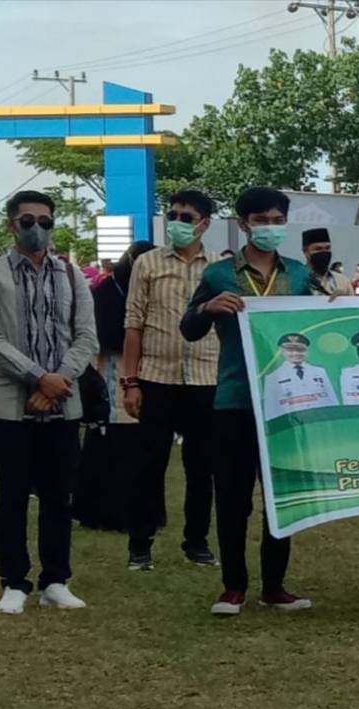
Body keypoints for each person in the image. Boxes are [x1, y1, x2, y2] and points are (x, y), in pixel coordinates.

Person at [181, 186, 314, 616]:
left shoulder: (298, 274)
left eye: (278, 221)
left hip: (286, 401)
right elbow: (188, 328)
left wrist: (332, 306)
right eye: (262, 221)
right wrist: (208, 309)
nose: (270, 228)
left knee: (281, 494)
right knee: (234, 497)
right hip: (235, 399)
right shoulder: (220, 275)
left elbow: (316, 326)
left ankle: (274, 585)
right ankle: (233, 587)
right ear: (243, 225)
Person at [0, 190, 98, 614]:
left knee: (59, 496)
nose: (37, 229)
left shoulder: (71, 275)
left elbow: (86, 337)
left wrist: (57, 382)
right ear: (12, 225)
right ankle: (14, 582)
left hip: (62, 403)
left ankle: (56, 580)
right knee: (11, 496)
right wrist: (39, 379)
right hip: (10, 404)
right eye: (28, 221)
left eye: (45, 221)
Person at [120, 190, 221, 571]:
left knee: (202, 467)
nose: (179, 222)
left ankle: (197, 542)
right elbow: (133, 324)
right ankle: (140, 545)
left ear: (205, 223)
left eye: (188, 216)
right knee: (149, 464)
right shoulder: (147, 263)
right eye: (174, 215)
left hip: (205, 377)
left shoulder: (218, 269)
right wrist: (130, 382)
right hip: (155, 377)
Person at [74, 242, 155, 534]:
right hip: (112, 371)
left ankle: (142, 511)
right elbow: (102, 334)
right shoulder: (107, 292)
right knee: (112, 442)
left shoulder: (149, 290)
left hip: (146, 372)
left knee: (142, 445)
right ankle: (107, 511)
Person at [262, 332, 339, 420]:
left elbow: (332, 401)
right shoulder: (273, 377)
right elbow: (271, 411)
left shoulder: (320, 371)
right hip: (295, 425)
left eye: (300, 350)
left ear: (307, 351)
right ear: (282, 351)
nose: (296, 353)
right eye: (290, 350)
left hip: (321, 421)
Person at [303, 228, 353, 296]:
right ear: (306, 252)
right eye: (318, 249)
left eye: (327, 248)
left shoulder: (343, 281)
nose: (324, 253)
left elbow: (352, 305)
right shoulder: (296, 279)